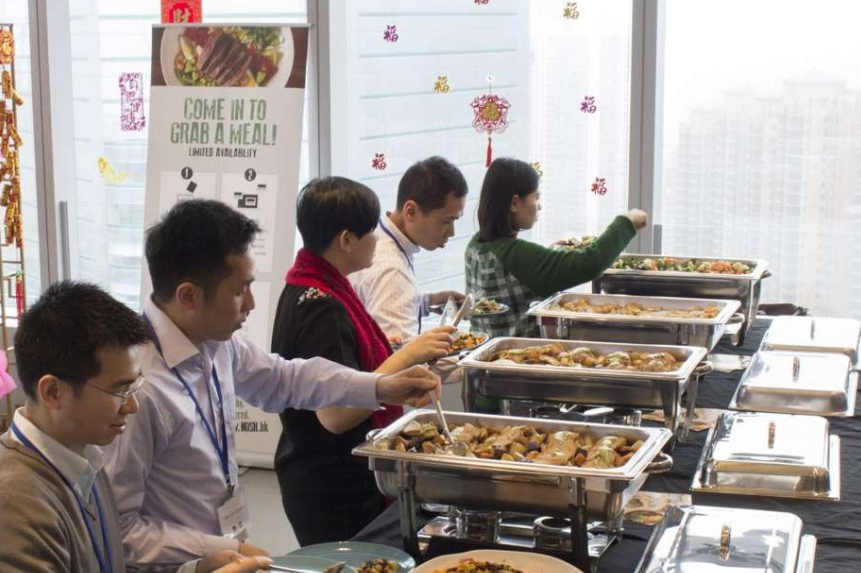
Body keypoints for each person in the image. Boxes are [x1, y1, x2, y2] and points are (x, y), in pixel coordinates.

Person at [104, 199, 440, 563]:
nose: (250, 303)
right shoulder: (138, 390)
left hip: (222, 555)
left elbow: (284, 378)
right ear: (188, 296)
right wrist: (218, 550)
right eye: (239, 290)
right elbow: (119, 533)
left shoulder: (215, 342)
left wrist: (379, 386)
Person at [0, 281, 270, 573]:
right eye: (120, 390)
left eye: (135, 386)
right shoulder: (12, 505)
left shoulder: (80, 457)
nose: (132, 406)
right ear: (52, 393)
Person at [271, 177, 455, 545]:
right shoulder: (321, 306)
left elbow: (343, 369)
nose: (377, 238)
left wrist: (383, 352)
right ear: (346, 240)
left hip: (323, 476)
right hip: (333, 486)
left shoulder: (313, 286)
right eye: (371, 230)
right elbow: (335, 415)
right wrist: (407, 355)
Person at [465, 157, 648, 340]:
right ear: (514, 203)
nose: (540, 205)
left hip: (486, 351)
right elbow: (590, 262)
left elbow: (524, 272)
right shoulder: (516, 254)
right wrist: (626, 221)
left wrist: (549, 254)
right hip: (519, 360)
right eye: (536, 197)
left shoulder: (475, 245)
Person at [350, 156, 468, 342]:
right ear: (411, 211)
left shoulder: (382, 235)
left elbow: (378, 308)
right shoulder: (392, 273)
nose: (451, 232)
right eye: (447, 221)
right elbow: (401, 361)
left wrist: (428, 301)